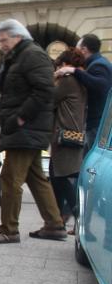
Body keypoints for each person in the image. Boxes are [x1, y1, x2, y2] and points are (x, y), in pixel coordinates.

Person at [0, 19, 67, 244]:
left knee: (10, 180)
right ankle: (55, 225)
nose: (2, 44)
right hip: (27, 128)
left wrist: (20, 118)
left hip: (26, 129)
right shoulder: (21, 56)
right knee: (36, 177)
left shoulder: (31, 55)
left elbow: (44, 90)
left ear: (17, 36)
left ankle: (9, 229)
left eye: (4, 39)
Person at [49, 49, 87, 233]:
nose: (57, 69)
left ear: (65, 65)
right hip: (73, 134)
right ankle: (58, 221)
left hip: (64, 136)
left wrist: (55, 78)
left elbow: (51, 99)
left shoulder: (67, 80)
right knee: (58, 177)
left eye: (58, 66)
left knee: (60, 177)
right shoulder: (80, 80)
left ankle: (78, 216)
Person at [55, 34, 112, 151]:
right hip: (97, 123)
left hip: (97, 123)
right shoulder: (97, 63)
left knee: (92, 163)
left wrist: (74, 70)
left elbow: (101, 86)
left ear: (84, 50)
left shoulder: (98, 65)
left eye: (77, 49)